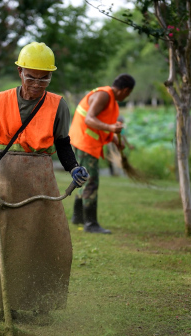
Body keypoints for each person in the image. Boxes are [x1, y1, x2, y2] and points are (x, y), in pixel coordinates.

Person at [0, 42, 88, 314]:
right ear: (20, 72)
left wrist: (73, 168)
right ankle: (4, 306)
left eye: (44, 77)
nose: (37, 83)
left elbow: (63, 143)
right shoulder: (3, 99)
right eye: (31, 76)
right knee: (5, 240)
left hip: (41, 176)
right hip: (8, 175)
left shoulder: (58, 105)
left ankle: (40, 306)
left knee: (44, 241)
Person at [69, 74, 135, 234]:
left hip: (85, 141)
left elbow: (99, 125)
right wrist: (112, 128)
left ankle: (78, 217)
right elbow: (89, 119)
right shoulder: (104, 95)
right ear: (125, 90)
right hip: (85, 142)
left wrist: (113, 139)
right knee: (91, 181)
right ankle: (90, 224)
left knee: (84, 179)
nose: (127, 96)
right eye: (128, 93)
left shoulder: (110, 99)